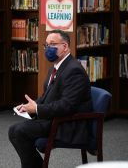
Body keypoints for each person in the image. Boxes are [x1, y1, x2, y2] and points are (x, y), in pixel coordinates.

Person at [8, 29, 92, 168]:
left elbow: (67, 106)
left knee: (17, 132)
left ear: (64, 47)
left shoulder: (74, 70)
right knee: (16, 131)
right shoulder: (56, 67)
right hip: (54, 118)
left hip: (67, 124)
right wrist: (31, 106)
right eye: (46, 45)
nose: (48, 49)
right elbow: (47, 96)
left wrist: (37, 109)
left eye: (52, 44)